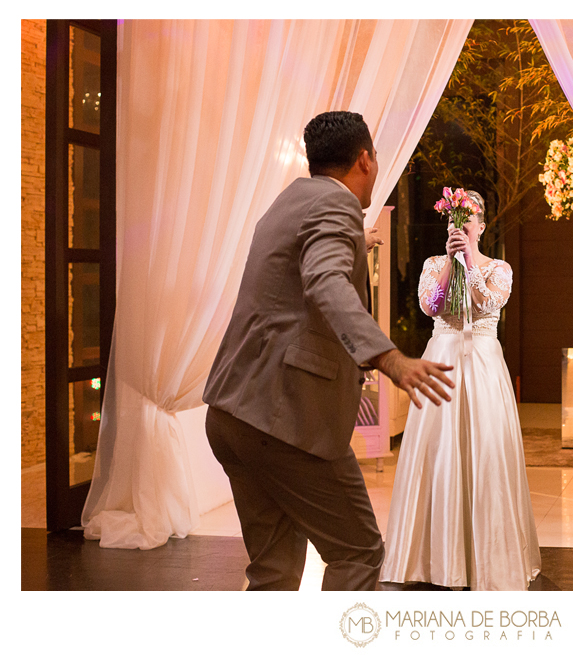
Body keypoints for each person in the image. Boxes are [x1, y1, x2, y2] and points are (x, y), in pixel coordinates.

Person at [202, 111, 454, 591]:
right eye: (377, 157)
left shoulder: (290, 200)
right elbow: (322, 281)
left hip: (234, 411)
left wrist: (357, 242)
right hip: (287, 418)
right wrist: (389, 357)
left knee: (273, 570)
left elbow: (298, 272)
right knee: (359, 552)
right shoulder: (337, 209)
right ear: (364, 159)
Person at [380, 190, 541, 591]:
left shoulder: (498, 267)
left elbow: (488, 303)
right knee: (437, 452)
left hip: (483, 364)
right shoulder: (434, 263)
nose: (462, 224)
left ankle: (487, 558)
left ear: (482, 226)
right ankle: (434, 558)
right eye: (456, 219)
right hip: (441, 356)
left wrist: (469, 259)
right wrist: (451, 263)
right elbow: (430, 305)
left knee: (484, 451)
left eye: (470, 218)